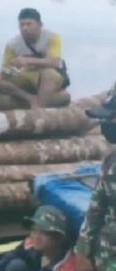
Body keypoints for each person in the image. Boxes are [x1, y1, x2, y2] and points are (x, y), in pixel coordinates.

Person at [0, 8, 69, 110]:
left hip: (49, 78)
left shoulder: (52, 37)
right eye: (22, 25)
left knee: (48, 74)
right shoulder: (12, 44)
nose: (25, 28)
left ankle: (39, 107)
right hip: (27, 76)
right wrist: (12, 67)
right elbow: (4, 70)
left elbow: (54, 62)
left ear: (40, 25)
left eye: (29, 24)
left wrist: (28, 61)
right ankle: (29, 98)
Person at [74, 82, 116, 271]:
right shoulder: (111, 162)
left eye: (113, 117)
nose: (108, 124)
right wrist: (82, 250)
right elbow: (96, 208)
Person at [0, 205, 75, 271]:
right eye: (34, 230)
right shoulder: (31, 244)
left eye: (43, 232)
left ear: (59, 238)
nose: (36, 237)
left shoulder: (67, 265)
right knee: (16, 266)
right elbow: (3, 263)